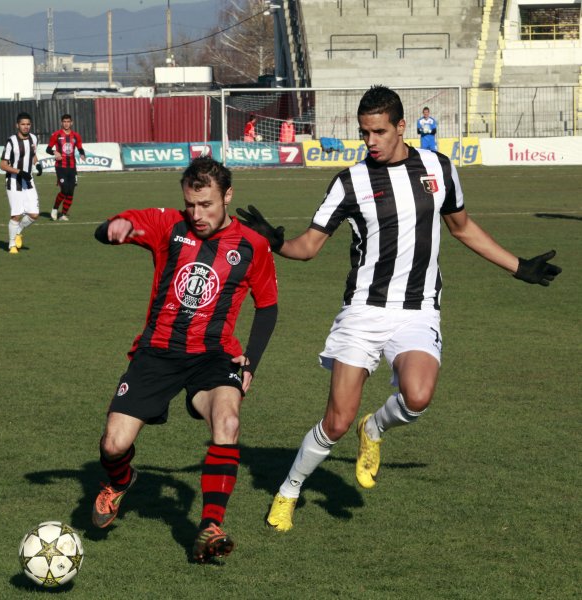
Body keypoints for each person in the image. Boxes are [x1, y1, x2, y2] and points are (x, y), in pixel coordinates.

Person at [236, 85, 562, 533]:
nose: (369, 141)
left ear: (401, 126)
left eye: (378, 132)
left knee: (418, 396)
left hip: (418, 310)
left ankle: (375, 429)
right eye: (363, 132)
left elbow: (462, 227)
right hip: (363, 312)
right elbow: (308, 247)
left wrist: (518, 266)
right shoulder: (350, 181)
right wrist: (275, 242)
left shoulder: (438, 167)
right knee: (336, 421)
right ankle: (289, 490)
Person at [90, 156, 279, 563]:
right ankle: (120, 482)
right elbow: (108, 228)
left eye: (207, 205)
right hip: (156, 353)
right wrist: (113, 229)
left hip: (213, 357)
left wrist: (251, 365)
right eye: (191, 204)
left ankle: (211, 525)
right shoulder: (168, 226)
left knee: (227, 421)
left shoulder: (252, 245)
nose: (197, 214)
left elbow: (268, 307)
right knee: (113, 444)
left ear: (228, 196)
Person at [0, 112, 43, 254]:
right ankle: (12, 245)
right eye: (23, 124)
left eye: (28, 124)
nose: (26, 127)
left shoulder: (34, 139)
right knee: (16, 215)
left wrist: (38, 164)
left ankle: (18, 231)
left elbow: (32, 154)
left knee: (34, 214)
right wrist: (19, 172)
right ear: (17, 125)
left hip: (28, 181)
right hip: (14, 182)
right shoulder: (11, 141)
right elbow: (3, 165)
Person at [45, 113, 86, 222]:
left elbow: (80, 147)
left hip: (72, 167)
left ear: (71, 123)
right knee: (64, 189)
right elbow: (48, 149)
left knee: (71, 192)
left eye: (68, 122)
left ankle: (63, 214)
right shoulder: (56, 135)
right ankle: (54, 209)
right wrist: (54, 152)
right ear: (61, 123)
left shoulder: (76, 136)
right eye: (64, 122)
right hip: (60, 167)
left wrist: (82, 154)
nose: (66, 124)